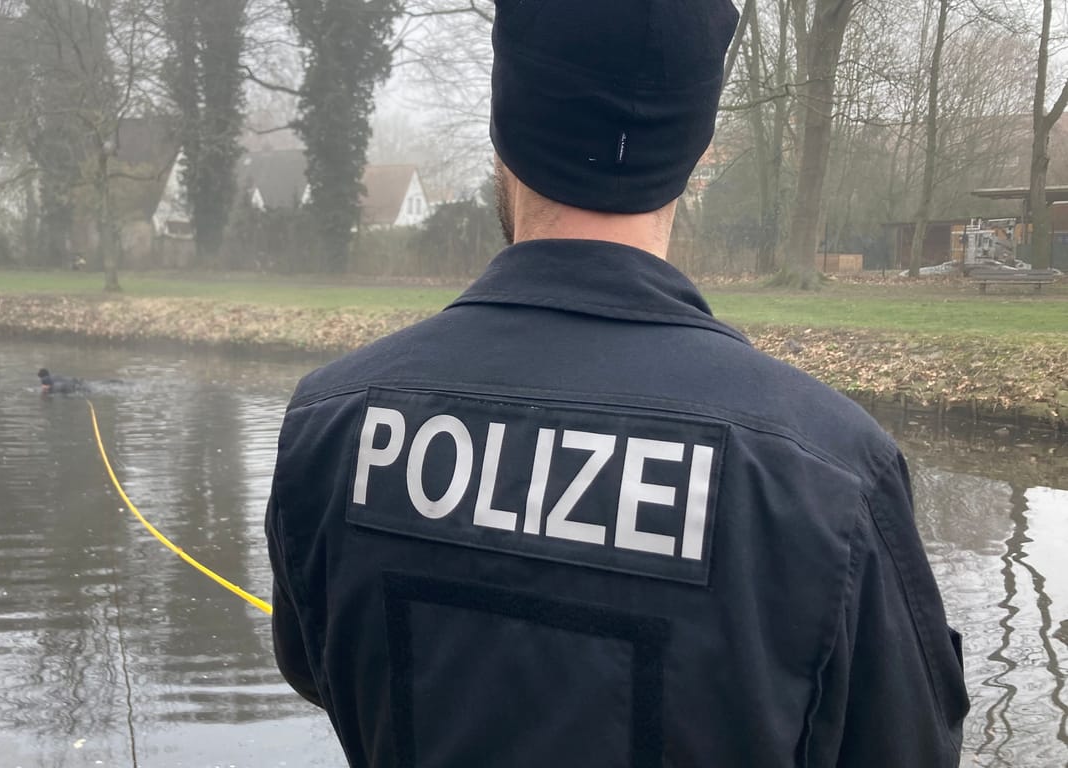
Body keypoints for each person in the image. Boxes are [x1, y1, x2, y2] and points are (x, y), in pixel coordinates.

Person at [264, 1, 969, 766]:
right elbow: (910, 744)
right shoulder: (827, 473)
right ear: (697, 154)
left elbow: (319, 670)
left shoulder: (330, 424)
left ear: (502, 136)